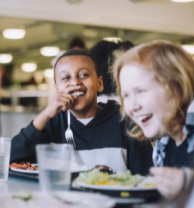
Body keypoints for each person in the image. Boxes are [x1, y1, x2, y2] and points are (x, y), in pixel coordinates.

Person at [10, 49, 153, 175]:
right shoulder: (51, 123)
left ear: (100, 83)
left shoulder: (126, 122)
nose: (75, 82)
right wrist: (45, 114)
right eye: (66, 78)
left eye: (83, 75)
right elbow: (11, 159)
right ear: (56, 88)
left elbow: (146, 178)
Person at [113, 40, 194, 199]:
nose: (132, 106)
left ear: (176, 86)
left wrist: (190, 184)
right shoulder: (164, 143)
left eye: (141, 91)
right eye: (126, 96)